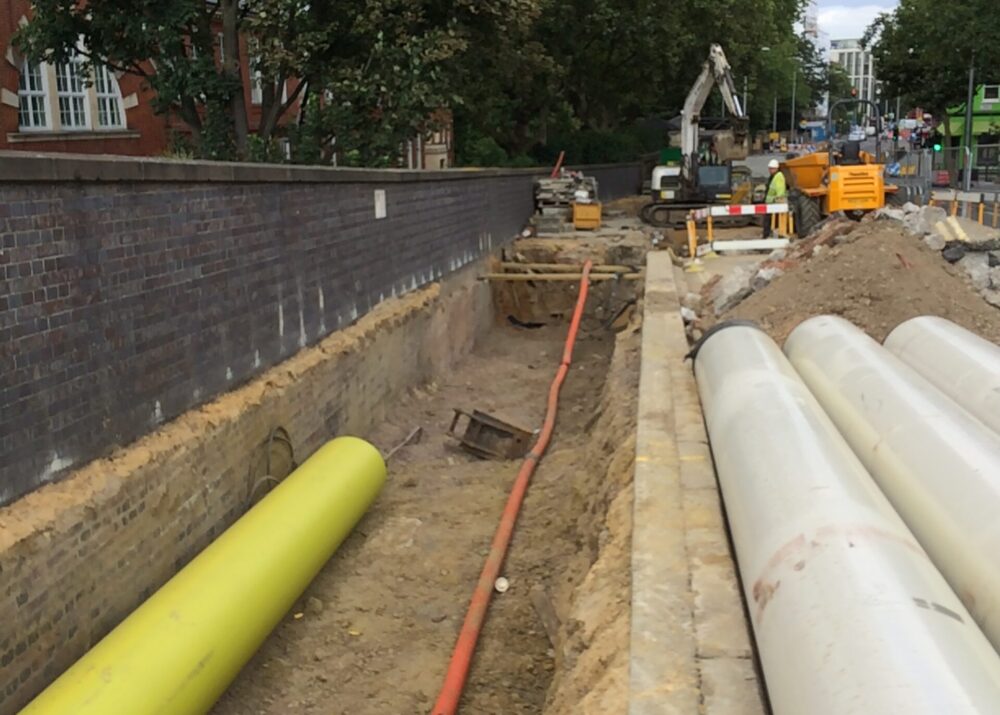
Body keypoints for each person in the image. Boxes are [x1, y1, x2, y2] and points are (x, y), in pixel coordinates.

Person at [762, 158, 787, 237]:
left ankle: (767, 236)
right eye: (769, 168)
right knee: (767, 221)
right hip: (770, 203)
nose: (770, 170)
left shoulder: (778, 177)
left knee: (769, 221)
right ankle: (767, 235)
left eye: (772, 168)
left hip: (773, 203)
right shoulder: (773, 176)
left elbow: (780, 191)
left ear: (776, 168)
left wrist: (777, 201)